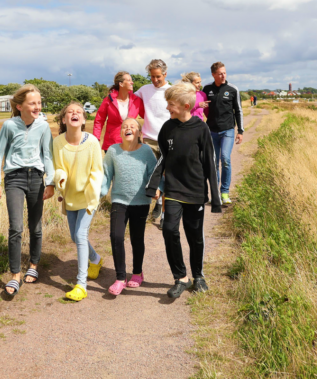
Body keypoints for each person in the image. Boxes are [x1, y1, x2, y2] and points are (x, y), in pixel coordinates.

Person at [146, 82, 220, 299]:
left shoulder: (201, 128)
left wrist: (215, 197)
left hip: (195, 190)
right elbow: (163, 159)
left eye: (171, 104)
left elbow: (209, 163)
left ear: (186, 106)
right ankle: (181, 278)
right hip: (174, 190)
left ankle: (198, 276)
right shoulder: (167, 128)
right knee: (169, 229)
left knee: (195, 236)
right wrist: (153, 185)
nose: (168, 108)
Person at [0, 84, 55, 297]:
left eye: (39, 103)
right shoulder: (9, 125)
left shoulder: (44, 127)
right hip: (14, 178)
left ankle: (34, 265)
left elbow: (48, 156)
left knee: (35, 226)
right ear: (20, 106)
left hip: (36, 178)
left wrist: (51, 182)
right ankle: (15, 274)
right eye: (32, 103)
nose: (37, 106)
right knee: (15, 227)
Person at [53, 101, 105, 302]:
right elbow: (58, 167)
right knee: (75, 237)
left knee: (81, 235)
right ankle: (96, 259)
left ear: (83, 119)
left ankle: (81, 285)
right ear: (64, 119)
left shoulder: (92, 142)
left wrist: (93, 196)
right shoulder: (57, 142)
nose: (74, 114)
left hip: (88, 197)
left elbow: (97, 171)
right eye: (69, 112)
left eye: (78, 112)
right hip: (70, 196)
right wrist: (60, 179)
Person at [100, 118, 158, 295]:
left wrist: (156, 189)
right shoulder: (113, 151)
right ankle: (119, 278)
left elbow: (154, 173)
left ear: (139, 133)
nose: (128, 128)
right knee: (116, 236)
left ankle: (137, 272)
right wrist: (99, 194)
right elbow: (106, 175)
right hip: (119, 201)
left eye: (133, 126)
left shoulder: (146, 151)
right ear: (120, 133)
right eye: (125, 126)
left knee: (136, 238)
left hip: (141, 202)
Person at [134, 59, 171, 228]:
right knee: (148, 176)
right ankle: (146, 209)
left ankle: (163, 214)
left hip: (167, 139)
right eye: (152, 77)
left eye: (158, 77)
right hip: (148, 138)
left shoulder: (171, 91)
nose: (155, 80)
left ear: (165, 74)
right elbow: (129, 100)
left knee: (166, 177)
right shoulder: (144, 90)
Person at [202, 61, 243, 205]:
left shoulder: (233, 89)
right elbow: (199, 107)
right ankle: (215, 194)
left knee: (225, 158)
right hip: (211, 131)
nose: (223, 75)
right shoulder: (206, 89)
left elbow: (238, 111)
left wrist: (240, 131)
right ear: (213, 74)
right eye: (220, 73)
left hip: (228, 130)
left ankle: (225, 192)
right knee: (213, 163)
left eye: (224, 72)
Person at [92, 71, 145, 151]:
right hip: (112, 144)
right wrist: (96, 139)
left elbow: (147, 117)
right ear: (121, 84)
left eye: (131, 80)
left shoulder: (137, 100)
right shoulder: (108, 100)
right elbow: (99, 121)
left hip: (131, 142)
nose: (132, 82)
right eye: (129, 80)